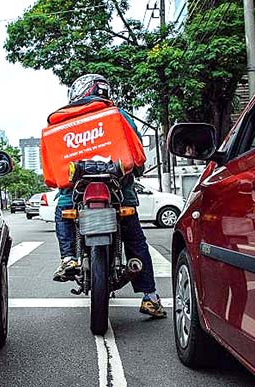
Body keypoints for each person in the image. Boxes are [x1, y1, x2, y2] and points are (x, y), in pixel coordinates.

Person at [48, 74, 167, 319]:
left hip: (74, 192)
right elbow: (136, 152)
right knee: (135, 241)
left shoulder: (64, 121)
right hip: (120, 192)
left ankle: (68, 257)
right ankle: (150, 297)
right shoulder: (117, 115)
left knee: (63, 211)